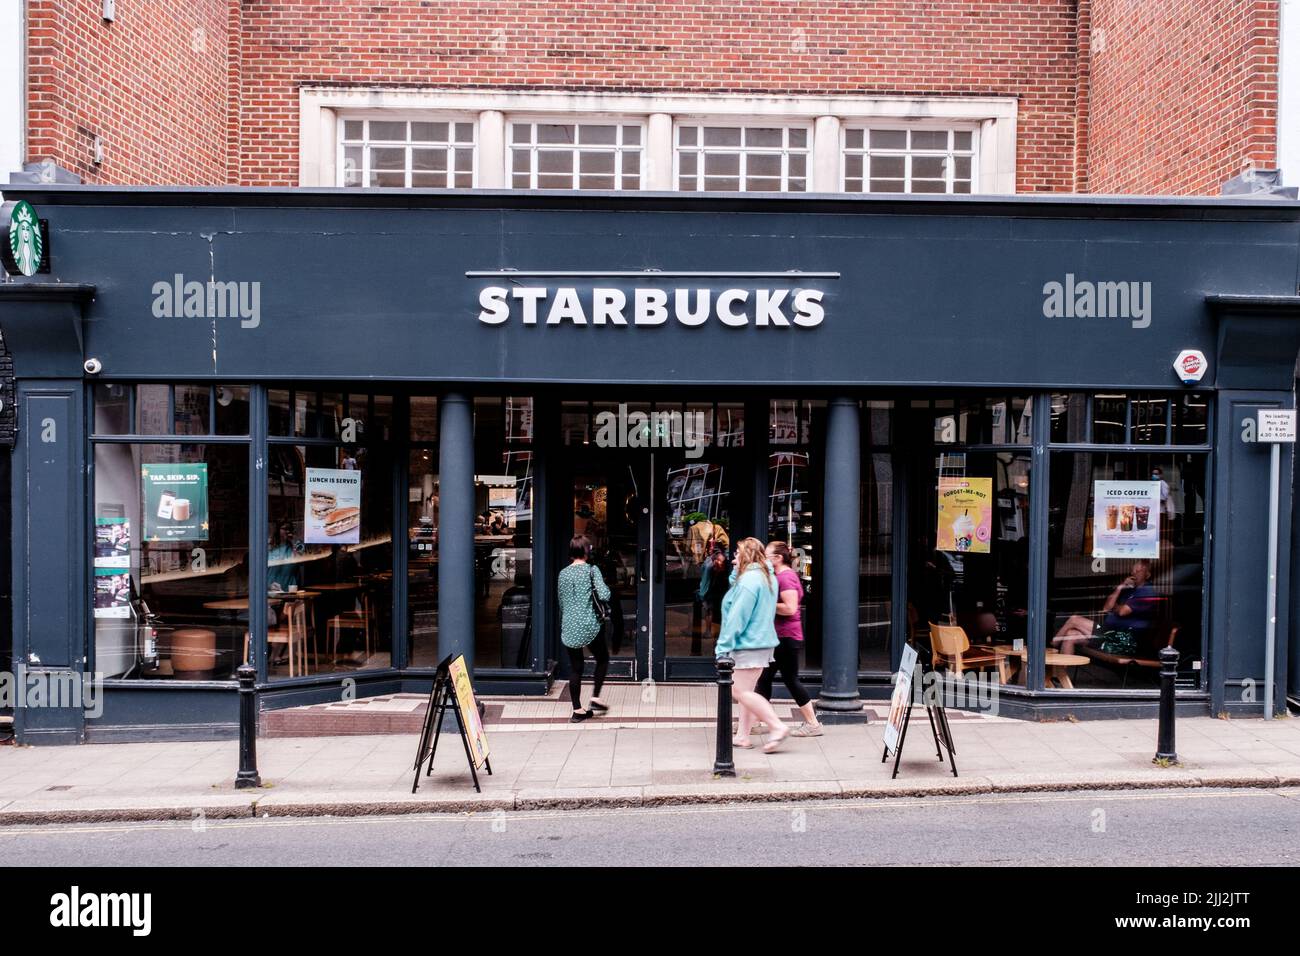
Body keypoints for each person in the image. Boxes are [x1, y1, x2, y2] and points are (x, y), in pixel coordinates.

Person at [716, 537, 789, 753]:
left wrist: (722, 648)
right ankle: (742, 736)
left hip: (747, 643)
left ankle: (777, 726)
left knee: (739, 692)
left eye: (737, 555)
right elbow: (735, 583)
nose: (733, 559)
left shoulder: (749, 582)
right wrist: (737, 571)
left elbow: (737, 618)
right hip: (762, 643)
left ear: (746, 556)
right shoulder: (766, 577)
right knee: (747, 690)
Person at [756, 541, 822, 736]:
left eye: (766, 555)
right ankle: (756, 722)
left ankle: (813, 724)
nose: (763, 558)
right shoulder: (781, 576)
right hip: (781, 636)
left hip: (785, 637)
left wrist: (766, 603)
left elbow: (790, 608)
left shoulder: (785, 578)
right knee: (765, 679)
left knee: (789, 679)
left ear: (778, 558)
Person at [557, 534, 611, 722]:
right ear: (587, 551)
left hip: (569, 625)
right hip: (590, 625)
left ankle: (577, 711)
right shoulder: (591, 570)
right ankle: (595, 698)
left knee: (576, 668)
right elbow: (604, 594)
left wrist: (565, 622)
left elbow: (561, 603)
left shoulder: (563, 573)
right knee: (602, 659)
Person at [1053, 559, 1158, 655]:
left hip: (1123, 640)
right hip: (1109, 633)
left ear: (1147, 574)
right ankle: (1061, 674)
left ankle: (1052, 645)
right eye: (1133, 570)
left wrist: (1116, 607)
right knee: (1070, 635)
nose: (1134, 573)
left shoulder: (1146, 591)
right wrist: (1120, 587)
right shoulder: (1130, 590)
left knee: (1074, 619)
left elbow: (1122, 611)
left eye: (1138, 571)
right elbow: (1106, 608)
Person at [695, 547, 730, 654]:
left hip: (721, 597)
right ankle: (714, 642)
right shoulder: (710, 568)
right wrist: (703, 595)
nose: (721, 563)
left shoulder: (725, 568)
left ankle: (717, 644)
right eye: (718, 561)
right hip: (714, 596)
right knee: (713, 616)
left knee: (718, 620)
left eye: (722, 561)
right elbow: (705, 582)